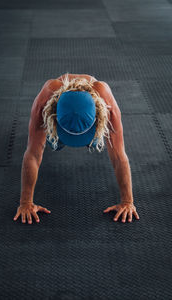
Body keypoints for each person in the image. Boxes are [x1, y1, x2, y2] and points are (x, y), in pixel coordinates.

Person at [13, 73, 140, 224]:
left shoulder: (106, 102)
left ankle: (86, 133)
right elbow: (33, 153)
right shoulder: (45, 100)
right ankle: (60, 132)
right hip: (58, 124)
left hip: (92, 124)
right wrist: (26, 203)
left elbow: (119, 156)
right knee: (53, 142)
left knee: (97, 141)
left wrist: (127, 201)